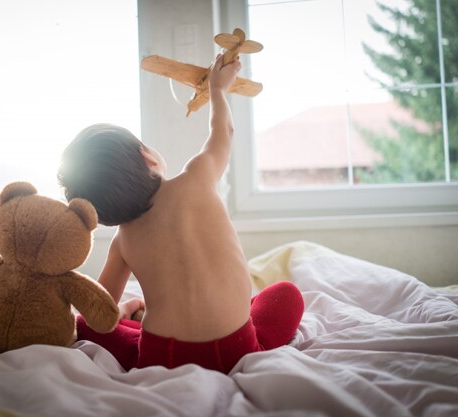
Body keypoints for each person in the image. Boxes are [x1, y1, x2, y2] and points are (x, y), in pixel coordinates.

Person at [57, 54, 304, 373]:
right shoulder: (197, 178)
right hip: (236, 349)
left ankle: (136, 319)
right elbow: (224, 131)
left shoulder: (124, 241)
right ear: (147, 158)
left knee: (87, 327)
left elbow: (96, 314)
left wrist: (122, 310)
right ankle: (148, 319)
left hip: (165, 356)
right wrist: (217, 89)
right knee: (287, 295)